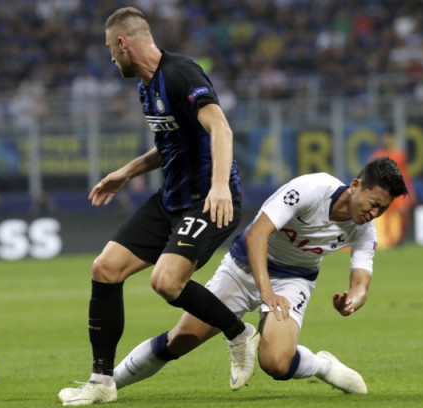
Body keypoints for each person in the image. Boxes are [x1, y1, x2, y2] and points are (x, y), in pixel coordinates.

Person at [58, 7, 258, 406]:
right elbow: (170, 145)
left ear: (122, 43)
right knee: (105, 268)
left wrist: (220, 185)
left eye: (110, 50)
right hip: (171, 200)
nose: (111, 59)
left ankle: (240, 334)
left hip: (208, 202)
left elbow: (220, 127)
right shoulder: (146, 86)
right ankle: (102, 381)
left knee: (165, 282)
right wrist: (126, 172)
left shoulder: (182, 74)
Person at [100, 156, 408, 396]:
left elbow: (361, 279)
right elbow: (257, 235)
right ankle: (109, 385)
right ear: (355, 186)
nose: (374, 214)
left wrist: (353, 300)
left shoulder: (365, 229)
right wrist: (266, 292)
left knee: (276, 363)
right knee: (181, 340)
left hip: (294, 279)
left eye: (382, 209)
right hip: (243, 266)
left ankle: (324, 367)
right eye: (373, 204)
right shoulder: (313, 189)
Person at [370, 129, 417, 247]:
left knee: (401, 215)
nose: (386, 140)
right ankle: (387, 240)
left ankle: (398, 239)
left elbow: (405, 175)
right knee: (383, 216)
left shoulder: (399, 155)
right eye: (385, 138)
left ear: (392, 139)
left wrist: (410, 192)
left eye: (388, 137)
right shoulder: (377, 155)